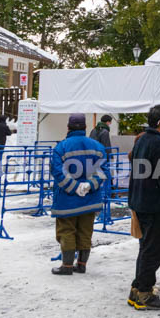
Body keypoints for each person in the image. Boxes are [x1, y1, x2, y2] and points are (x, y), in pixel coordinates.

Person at [127, 104, 160, 311]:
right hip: (154, 205)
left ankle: (137, 287)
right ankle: (144, 293)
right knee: (154, 250)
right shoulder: (159, 145)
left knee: (146, 248)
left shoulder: (142, 141)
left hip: (141, 201)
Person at [49, 114, 108, 275]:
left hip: (66, 200)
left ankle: (67, 266)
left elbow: (57, 172)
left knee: (67, 230)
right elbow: (103, 172)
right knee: (85, 231)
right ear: (85, 128)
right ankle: (82, 264)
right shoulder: (97, 147)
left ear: (68, 127)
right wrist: (88, 186)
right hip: (90, 199)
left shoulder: (61, 147)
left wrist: (74, 187)